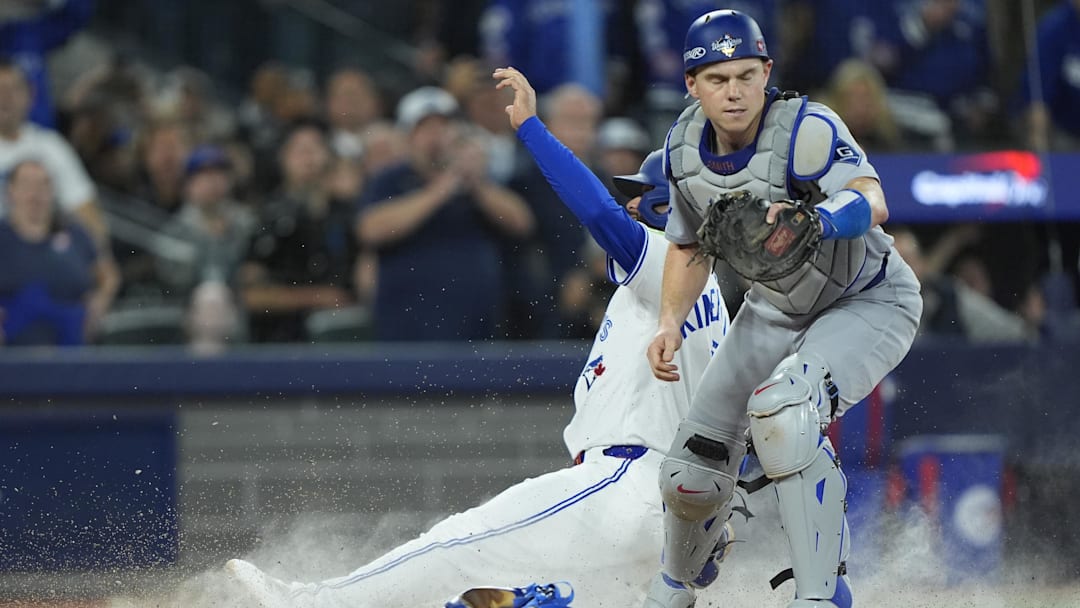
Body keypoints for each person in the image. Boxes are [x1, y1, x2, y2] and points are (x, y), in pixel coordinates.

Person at [222, 66, 730, 608]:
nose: (630, 204)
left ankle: (314, 603)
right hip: (659, 514)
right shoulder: (713, 304)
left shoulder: (669, 262)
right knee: (511, 597)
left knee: (460, 542)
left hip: (623, 482)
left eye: (642, 196)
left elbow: (598, 212)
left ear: (671, 209)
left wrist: (532, 128)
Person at [640, 10, 922, 608]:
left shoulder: (806, 129)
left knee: (785, 411)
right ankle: (677, 586)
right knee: (691, 468)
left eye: (747, 75)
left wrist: (818, 219)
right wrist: (669, 322)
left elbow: (872, 198)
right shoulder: (681, 150)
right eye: (717, 79)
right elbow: (687, 247)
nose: (735, 91)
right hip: (774, 309)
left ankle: (822, 595)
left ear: (766, 72)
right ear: (691, 84)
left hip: (866, 297)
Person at [354, 85, 533, 342]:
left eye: (443, 126)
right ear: (408, 137)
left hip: (475, 327)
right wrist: (441, 189)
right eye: (425, 128)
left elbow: (522, 224)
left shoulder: (478, 180)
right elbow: (370, 230)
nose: (435, 137)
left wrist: (476, 185)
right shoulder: (391, 179)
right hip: (407, 326)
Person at [0, 159, 118, 345]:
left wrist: (99, 303)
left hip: (69, 341)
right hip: (12, 344)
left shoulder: (75, 233)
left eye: (43, 184)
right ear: (10, 191)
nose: (36, 193)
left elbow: (109, 275)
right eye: (27, 184)